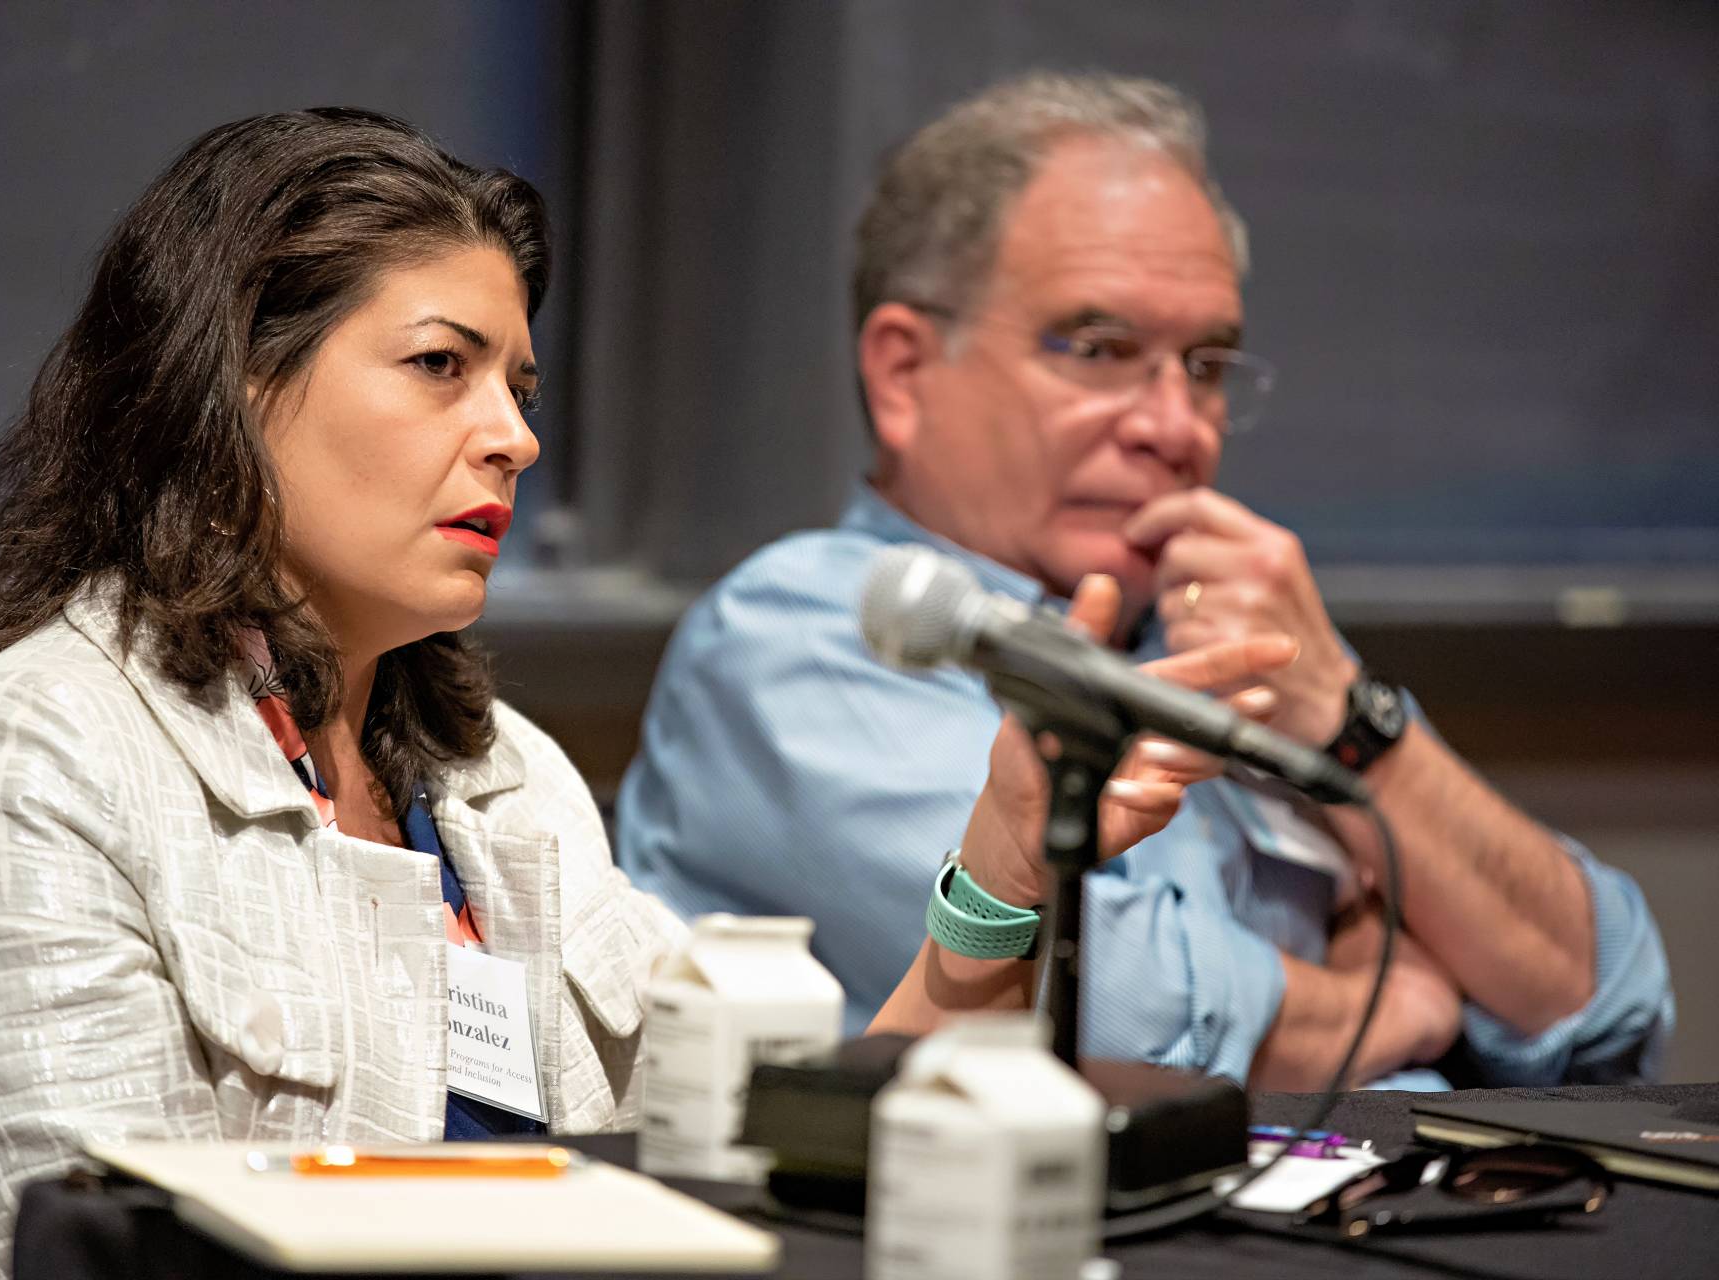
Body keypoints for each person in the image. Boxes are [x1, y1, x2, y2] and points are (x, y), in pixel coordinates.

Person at [0, 106, 1285, 1280]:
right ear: (229, 389)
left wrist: (1006, 870)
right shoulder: (22, 762)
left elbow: (778, 1160)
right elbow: (86, 1257)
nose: (512, 437)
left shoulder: (496, 775)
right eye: (441, 367)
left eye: (518, 385)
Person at [616, 72, 1674, 1091]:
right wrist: (1406, 998)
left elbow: (1609, 1001)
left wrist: (1347, 719)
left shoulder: (1224, 629)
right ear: (903, 372)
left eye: (1207, 366)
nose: (1174, 427)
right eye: (1098, 348)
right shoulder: (804, 629)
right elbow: (1118, 1017)